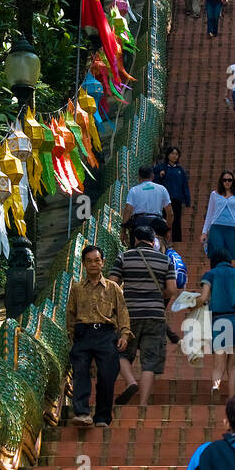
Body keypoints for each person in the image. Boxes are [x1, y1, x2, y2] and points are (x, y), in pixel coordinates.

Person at [109, 224, 177, 408]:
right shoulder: (165, 260)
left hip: (129, 315)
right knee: (150, 361)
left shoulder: (124, 257)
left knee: (120, 352)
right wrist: (155, 294)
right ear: (153, 241)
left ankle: (131, 381)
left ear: (135, 239)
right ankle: (143, 403)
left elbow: (112, 285)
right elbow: (171, 289)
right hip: (155, 315)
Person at [66, 244, 131, 427]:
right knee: (80, 372)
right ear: (84, 265)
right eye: (89, 261)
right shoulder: (77, 288)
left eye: (97, 260)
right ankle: (82, 413)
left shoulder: (113, 288)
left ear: (102, 263)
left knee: (107, 375)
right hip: (83, 333)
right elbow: (70, 313)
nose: (93, 264)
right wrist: (72, 334)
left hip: (106, 333)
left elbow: (123, 312)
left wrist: (124, 335)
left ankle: (102, 416)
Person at [199, 250, 235, 397]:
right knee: (233, 366)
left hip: (219, 321)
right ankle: (232, 399)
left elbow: (203, 298)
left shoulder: (210, 274)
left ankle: (216, 385)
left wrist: (191, 304)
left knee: (218, 364)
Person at [201, 170, 235, 262]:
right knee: (217, 255)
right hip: (216, 228)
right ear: (221, 181)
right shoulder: (214, 194)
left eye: (229, 180)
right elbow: (210, 214)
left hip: (232, 228)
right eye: (224, 180)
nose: (227, 182)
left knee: (230, 256)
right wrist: (204, 232)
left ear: (233, 181)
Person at [123, 165, 173, 244]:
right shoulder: (162, 189)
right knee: (161, 249)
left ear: (139, 177)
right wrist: (168, 230)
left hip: (138, 223)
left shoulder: (134, 190)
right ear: (152, 176)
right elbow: (170, 213)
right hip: (157, 224)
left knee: (134, 249)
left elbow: (128, 210)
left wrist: (123, 231)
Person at [153, 144, 191, 242]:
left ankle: (177, 241)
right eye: (172, 153)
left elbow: (184, 185)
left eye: (176, 154)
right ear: (168, 155)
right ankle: (163, 239)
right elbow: (154, 176)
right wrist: (160, 175)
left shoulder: (180, 170)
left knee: (177, 220)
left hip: (177, 198)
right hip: (164, 199)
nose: (174, 156)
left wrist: (187, 200)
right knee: (164, 219)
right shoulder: (162, 167)